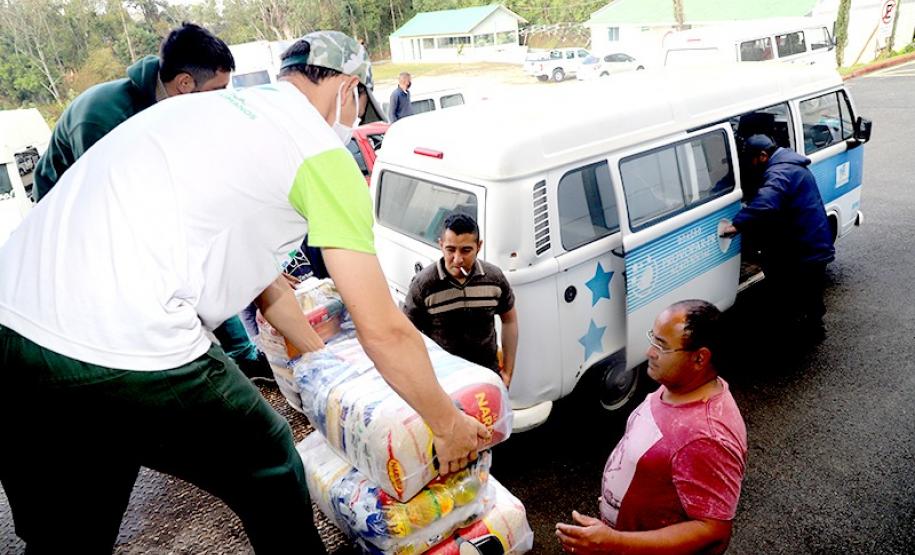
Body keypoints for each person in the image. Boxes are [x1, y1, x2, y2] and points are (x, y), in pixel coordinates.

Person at [0, 30, 488, 554]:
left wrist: (325, 358)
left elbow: (261, 279)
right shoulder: (318, 151)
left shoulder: (215, 113)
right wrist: (446, 424)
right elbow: (384, 329)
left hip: (13, 322)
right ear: (349, 88)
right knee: (270, 461)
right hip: (125, 338)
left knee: (73, 518)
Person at [556, 300, 747, 554]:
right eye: (653, 339)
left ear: (700, 358)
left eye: (662, 346)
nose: (649, 352)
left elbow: (713, 531)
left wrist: (612, 542)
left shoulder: (707, 437)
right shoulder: (677, 385)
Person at [32, 22, 235, 202]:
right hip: (64, 208)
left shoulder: (173, 105)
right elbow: (103, 198)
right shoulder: (103, 118)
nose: (221, 98)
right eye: (217, 90)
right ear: (184, 83)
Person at [720, 134, 835, 340]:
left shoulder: (780, 171)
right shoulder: (789, 163)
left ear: (763, 155)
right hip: (812, 239)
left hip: (805, 245)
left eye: (752, 160)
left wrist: (736, 225)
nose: (751, 165)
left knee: (795, 285)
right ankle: (812, 325)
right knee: (811, 288)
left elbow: (766, 202)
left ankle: (799, 332)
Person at [403, 213, 518, 386]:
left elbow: (510, 320)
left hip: (487, 377)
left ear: (478, 247)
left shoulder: (495, 278)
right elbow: (407, 334)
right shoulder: (423, 285)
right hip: (444, 382)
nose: (457, 259)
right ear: (441, 245)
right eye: (450, 250)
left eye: (466, 250)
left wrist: (508, 373)